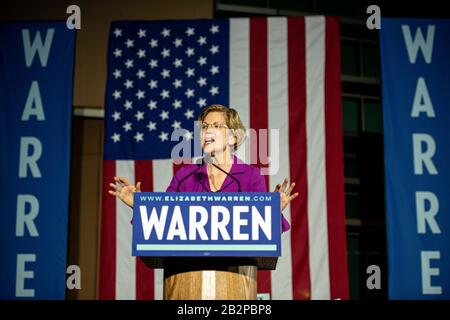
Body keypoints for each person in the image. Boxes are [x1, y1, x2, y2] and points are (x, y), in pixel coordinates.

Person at [109, 104, 298, 232]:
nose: (207, 131)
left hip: (235, 276)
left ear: (233, 137)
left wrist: (273, 211)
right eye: (204, 126)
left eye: (216, 126)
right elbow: (165, 219)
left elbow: (259, 228)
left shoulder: (250, 176)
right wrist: (139, 205)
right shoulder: (185, 176)